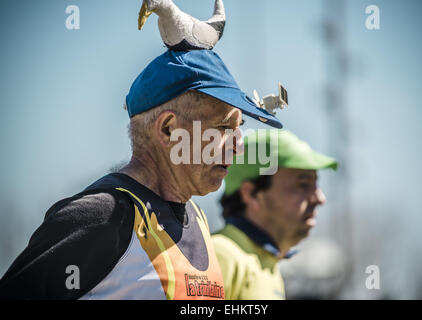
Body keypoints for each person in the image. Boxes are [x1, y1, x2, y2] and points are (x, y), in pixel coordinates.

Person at [0, 49, 282, 300]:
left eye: (239, 127)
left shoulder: (197, 216)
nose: (239, 144)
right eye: (224, 127)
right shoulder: (102, 216)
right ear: (168, 129)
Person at [212, 129, 338, 300]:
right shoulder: (220, 255)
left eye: (316, 185)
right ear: (252, 194)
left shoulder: (266, 263)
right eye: (303, 185)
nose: (320, 198)